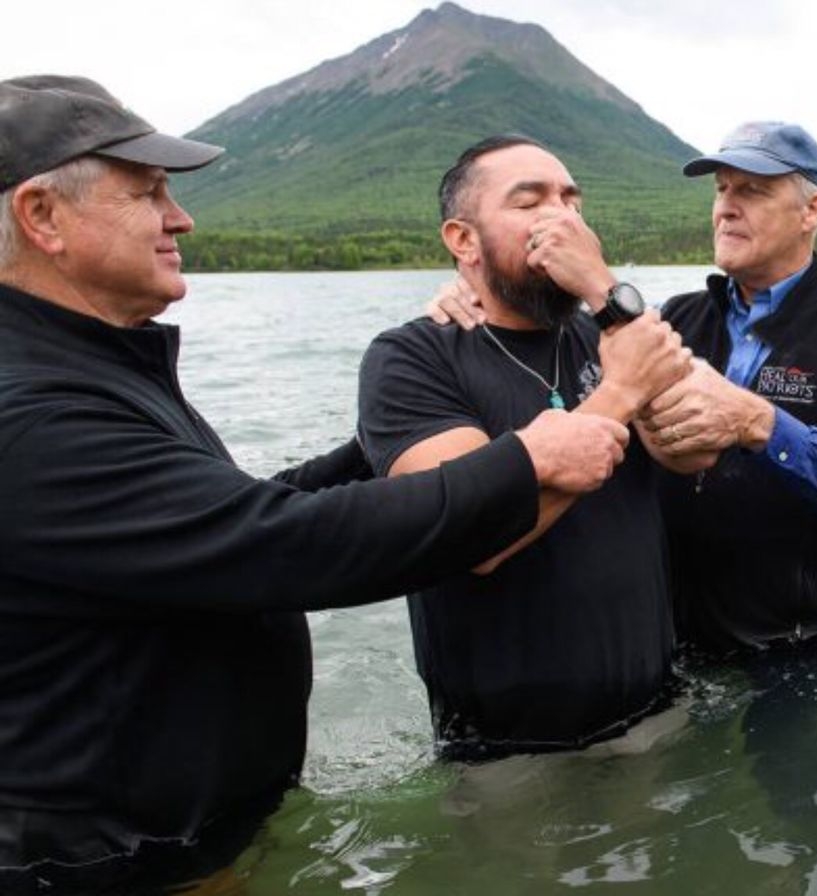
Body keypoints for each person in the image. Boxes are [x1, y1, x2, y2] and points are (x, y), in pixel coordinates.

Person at [0, 76, 629, 891]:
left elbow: (231, 512)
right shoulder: (32, 415)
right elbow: (284, 544)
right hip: (107, 862)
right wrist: (531, 460)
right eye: (148, 193)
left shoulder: (89, 370)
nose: (180, 217)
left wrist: (391, 438)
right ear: (42, 216)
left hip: (174, 838)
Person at [427, 121, 817, 655]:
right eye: (721, 189)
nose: (727, 207)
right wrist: (474, 291)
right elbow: (567, 348)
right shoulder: (675, 319)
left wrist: (760, 423)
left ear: (812, 209)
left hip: (799, 649)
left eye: (752, 190)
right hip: (671, 641)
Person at [357, 135, 697, 760]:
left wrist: (603, 290)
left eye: (572, 201)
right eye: (529, 202)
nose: (561, 217)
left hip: (653, 714)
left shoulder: (606, 332)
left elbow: (694, 448)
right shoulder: (409, 357)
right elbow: (463, 534)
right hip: (508, 748)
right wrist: (619, 393)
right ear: (463, 241)